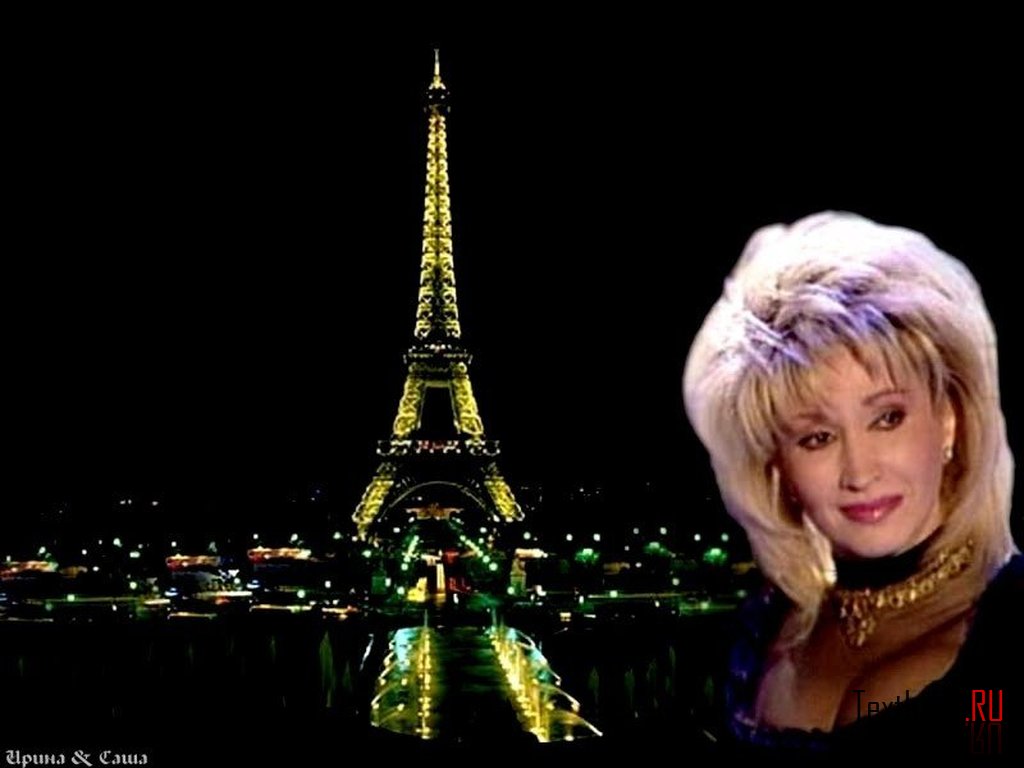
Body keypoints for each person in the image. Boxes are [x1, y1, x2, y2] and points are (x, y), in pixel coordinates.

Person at [683, 211, 1021, 756]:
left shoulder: (999, 664)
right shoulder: (762, 627)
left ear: (949, 420)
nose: (860, 473)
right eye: (817, 438)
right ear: (778, 466)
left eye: (887, 418)